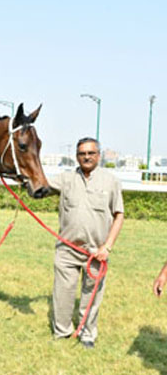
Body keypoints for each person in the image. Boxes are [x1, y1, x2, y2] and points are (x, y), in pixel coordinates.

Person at [48, 137, 124, 348]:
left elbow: (119, 215)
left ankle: (88, 333)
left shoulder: (110, 181)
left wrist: (107, 246)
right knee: (62, 294)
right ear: (77, 157)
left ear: (98, 155)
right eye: (82, 154)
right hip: (67, 249)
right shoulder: (65, 179)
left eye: (91, 153)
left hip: (96, 251)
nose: (87, 157)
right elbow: (39, 186)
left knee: (92, 294)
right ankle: (62, 331)